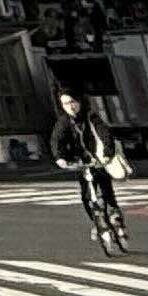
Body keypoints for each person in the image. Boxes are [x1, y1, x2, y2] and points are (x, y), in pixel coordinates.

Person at [49, 90, 124, 240]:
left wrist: (107, 153)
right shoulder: (63, 122)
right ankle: (97, 223)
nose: (70, 106)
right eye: (65, 103)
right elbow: (57, 140)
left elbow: (105, 133)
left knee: (106, 189)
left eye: (72, 102)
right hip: (81, 162)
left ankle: (115, 215)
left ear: (79, 102)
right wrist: (60, 158)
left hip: (99, 159)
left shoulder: (91, 117)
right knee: (86, 196)